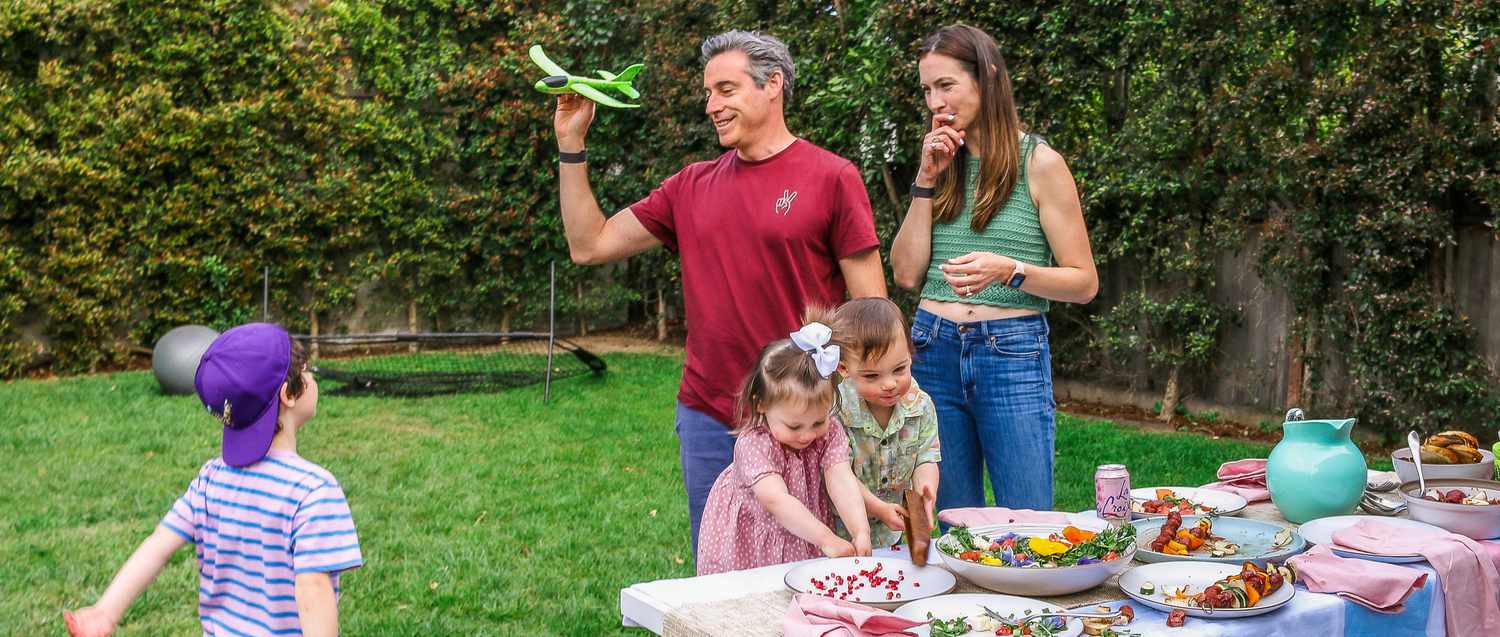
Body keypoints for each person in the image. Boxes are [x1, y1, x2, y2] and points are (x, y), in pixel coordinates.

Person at [548, 29, 885, 553]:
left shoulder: (832, 177)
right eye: (708, 93)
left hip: (800, 421)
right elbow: (589, 244)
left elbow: (870, 313)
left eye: (725, 90)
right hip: (709, 414)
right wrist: (572, 145)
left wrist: (867, 408)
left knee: (808, 563)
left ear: (772, 84)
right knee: (716, 567)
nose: (712, 105)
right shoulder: (690, 186)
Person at [890, 24, 1099, 514]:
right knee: (953, 521)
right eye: (926, 89)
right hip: (932, 349)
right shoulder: (939, 164)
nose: (935, 102)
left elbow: (1084, 281)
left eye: (947, 86)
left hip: (1010, 353)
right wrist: (924, 180)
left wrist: (1011, 271)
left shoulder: (1040, 163)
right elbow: (904, 273)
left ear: (987, 79)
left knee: (1027, 522)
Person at [64, 324, 362, 637]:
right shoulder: (314, 490)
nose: (313, 376)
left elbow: (157, 546)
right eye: (309, 370)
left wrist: (104, 612)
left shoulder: (212, 478)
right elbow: (313, 587)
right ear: (289, 394)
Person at [695, 323, 871, 575]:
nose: (807, 434)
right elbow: (775, 500)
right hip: (754, 536)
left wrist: (860, 529)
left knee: (800, 589)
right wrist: (825, 538)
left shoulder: (830, 432)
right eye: (794, 425)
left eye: (818, 422)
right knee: (753, 600)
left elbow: (841, 479)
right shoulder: (754, 444)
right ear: (762, 405)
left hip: (804, 528)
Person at [815, 298, 940, 549]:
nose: (889, 383)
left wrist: (925, 493)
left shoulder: (921, 406)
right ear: (844, 368)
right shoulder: (836, 413)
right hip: (839, 533)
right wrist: (879, 508)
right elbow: (840, 475)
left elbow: (926, 457)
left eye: (899, 369)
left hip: (890, 534)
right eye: (872, 375)